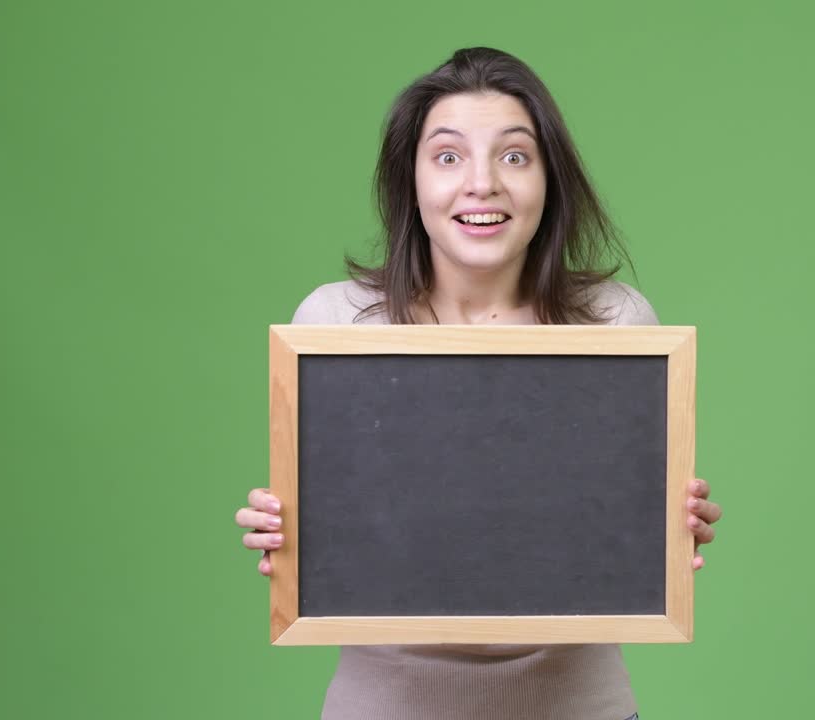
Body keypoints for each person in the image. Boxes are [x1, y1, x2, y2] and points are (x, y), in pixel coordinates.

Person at [234, 47, 723, 720]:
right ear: (411, 181)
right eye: (448, 156)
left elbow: (623, 526)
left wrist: (668, 525)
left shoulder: (616, 324)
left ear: (549, 179)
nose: (483, 183)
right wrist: (285, 526)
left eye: (515, 156)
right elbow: (337, 531)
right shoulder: (335, 324)